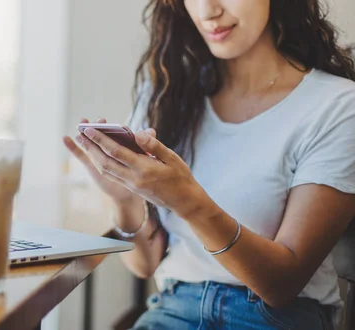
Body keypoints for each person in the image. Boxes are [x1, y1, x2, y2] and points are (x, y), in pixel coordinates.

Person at [63, 0, 355, 329]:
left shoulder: (337, 107)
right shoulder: (169, 96)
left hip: (272, 318)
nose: (207, 11)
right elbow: (144, 265)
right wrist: (124, 199)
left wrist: (186, 200)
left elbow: (282, 285)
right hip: (173, 309)